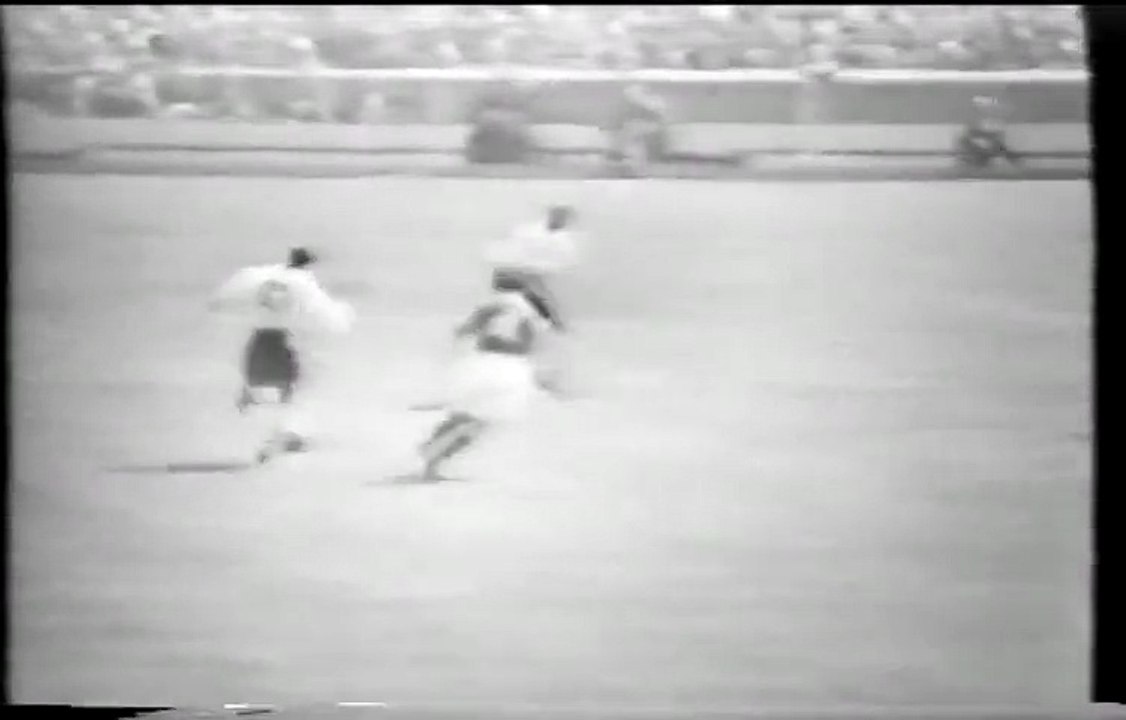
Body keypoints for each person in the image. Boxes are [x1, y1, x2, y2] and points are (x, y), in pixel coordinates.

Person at [208, 247, 354, 463]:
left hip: (258, 339)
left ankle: (277, 423)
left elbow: (224, 299)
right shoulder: (303, 283)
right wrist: (343, 316)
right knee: (296, 387)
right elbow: (324, 315)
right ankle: (283, 433)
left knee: (265, 382)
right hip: (281, 341)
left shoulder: (259, 276)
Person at [414, 272, 548, 482]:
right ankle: (434, 456)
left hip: (480, 363)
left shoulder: (490, 306)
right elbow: (532, 341)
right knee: (482, 421)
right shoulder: (529, 309)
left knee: (464, 414)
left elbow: (464, 331)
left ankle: (432, 454)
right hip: (510, 368)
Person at [485, 205, 580, 395]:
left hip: (525, 283)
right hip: (515, 281)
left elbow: (543, 274)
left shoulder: (563, 242)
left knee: (537, 330)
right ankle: (533, 378)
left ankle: (539, 377)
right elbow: (515, 263)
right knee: (530, 328)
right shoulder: (528, 232)